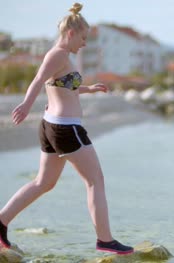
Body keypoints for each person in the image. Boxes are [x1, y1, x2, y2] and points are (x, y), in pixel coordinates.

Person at [0, 3, 134, 255]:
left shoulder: (62, 57)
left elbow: (61, 87)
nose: (84, 43)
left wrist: (88, 89)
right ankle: (105, 240)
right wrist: (26, 105)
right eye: (83, 38)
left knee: (43, 183)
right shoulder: (58, 54)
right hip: (65, 129)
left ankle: (0, 221)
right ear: (71, 33)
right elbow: (38, 80)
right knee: (95, 180)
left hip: (52, 126)